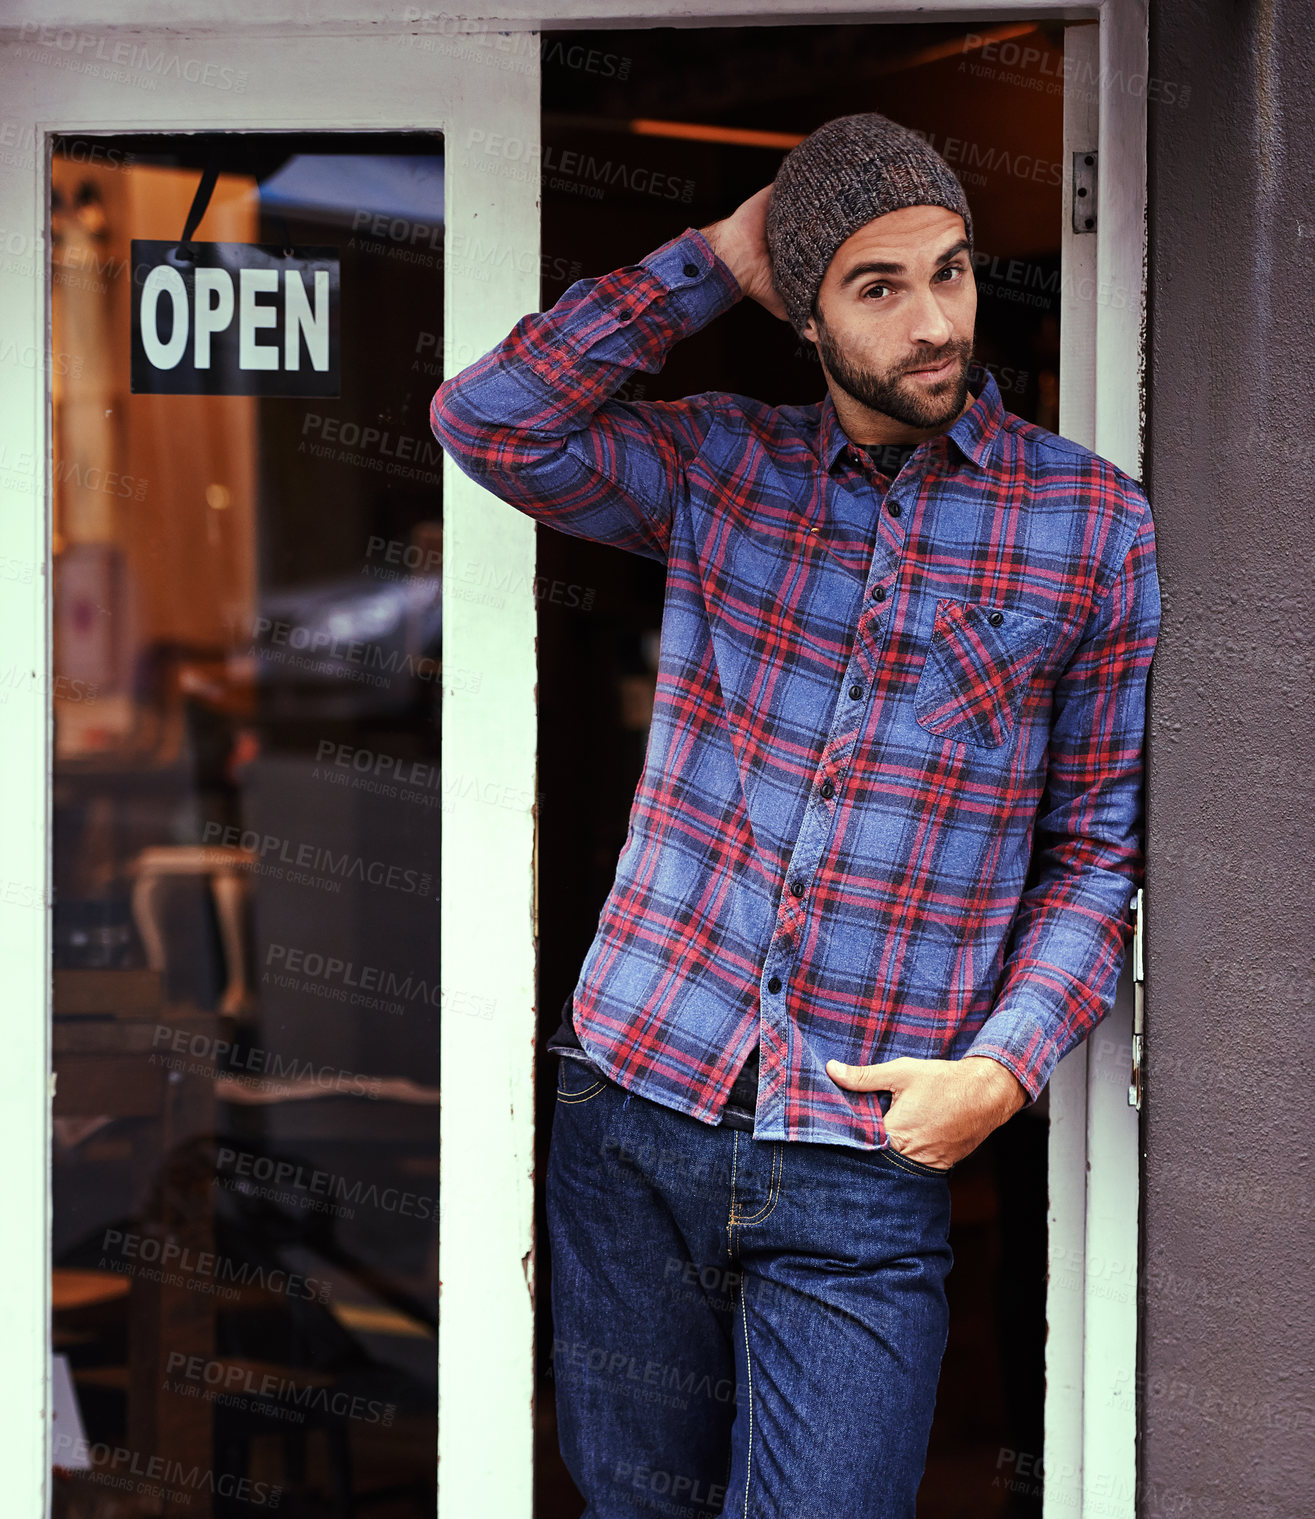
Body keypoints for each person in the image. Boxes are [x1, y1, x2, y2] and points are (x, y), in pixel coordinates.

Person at [430, 110, 1160, 1519]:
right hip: (637, 1102)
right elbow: (491, 421)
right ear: (804, 317)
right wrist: (711, 257)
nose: (935, 321)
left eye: (949, 272)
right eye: (877, 288)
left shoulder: (1093, 531)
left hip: (862, 1160)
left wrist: (998, 1076)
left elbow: (1094, 856)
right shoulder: (721, 471)